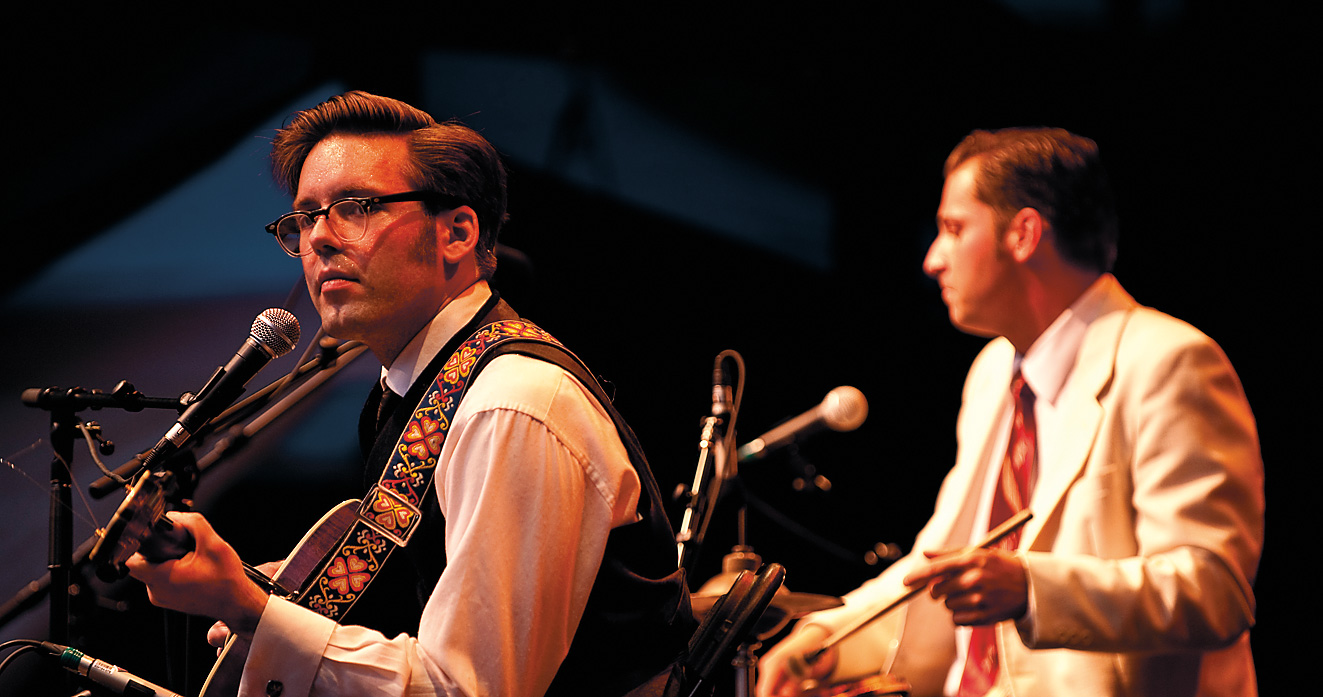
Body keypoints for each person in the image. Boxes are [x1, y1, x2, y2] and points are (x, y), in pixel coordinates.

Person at [127, 91, 694, 697]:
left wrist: (253, 611)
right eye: (306, 217)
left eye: (356, 207)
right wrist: (280, 597)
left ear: (456, 233)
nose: (318, 239)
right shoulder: (417, 387)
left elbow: (469, 689)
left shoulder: (509, 405)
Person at [755, 128, 1264, 697]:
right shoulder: (995, 369)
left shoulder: (1167, 360)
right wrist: (826, 635)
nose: (933, 259)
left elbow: (1215, 591)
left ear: (1023, 234)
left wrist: (1032, 587)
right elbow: (943, 559)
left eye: (953, 229)